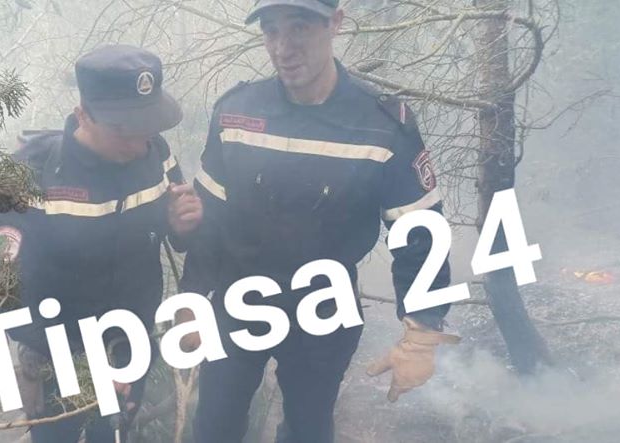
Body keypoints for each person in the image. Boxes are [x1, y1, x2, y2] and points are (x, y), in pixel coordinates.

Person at [180, 1, 460, 442]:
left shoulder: (382, 124)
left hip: (325, 306)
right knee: (215, 425)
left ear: (336, 23)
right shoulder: (236, 112)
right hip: (238, 298)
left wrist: (422, 327)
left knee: (308, 429)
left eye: (299, 28)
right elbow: (210, 217)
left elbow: (421, 232)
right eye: (271, 31)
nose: (283, 48)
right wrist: (192, 299)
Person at [0, 44, 202, 443]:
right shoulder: (29, 173)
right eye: (122, 130)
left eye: (147, 127)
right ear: (83, 115)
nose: (138, 144)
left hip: (130, 342)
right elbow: (3, 279)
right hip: (55, 352)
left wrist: (184, 224)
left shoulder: (157, 153)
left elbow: (178, 233)